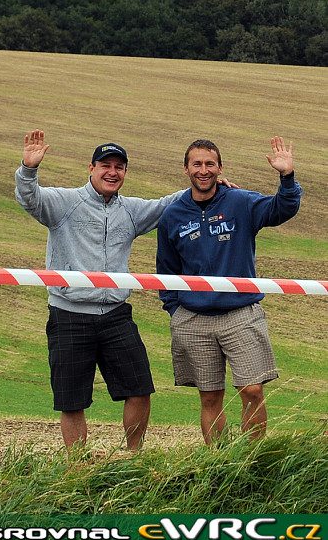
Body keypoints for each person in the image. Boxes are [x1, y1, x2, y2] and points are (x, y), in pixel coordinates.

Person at [15, 130, 235, 451]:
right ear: (91, 168)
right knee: (72, 401)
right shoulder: (64, 203)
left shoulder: (131, 211)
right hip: (69, 315)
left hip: (116, 315)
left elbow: (167, 206)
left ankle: (134, 458)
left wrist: (206, 186)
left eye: (119, 167)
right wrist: (29, 169)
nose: (112, 172)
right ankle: (78, 468)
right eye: (105, 165)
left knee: (140, 389)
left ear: (125, 173)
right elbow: (29, 198)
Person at [156, 136, 302, 444]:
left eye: (210, 163)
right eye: (197, 164)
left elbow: (282, 209)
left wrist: (286, 176)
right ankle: (218, 465)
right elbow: (166, 270)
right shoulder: (173, 215)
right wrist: (175, 309)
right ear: (186, 169)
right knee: (210, 398)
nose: (203, 170)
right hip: (193, 320)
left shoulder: (241, 202)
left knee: (252, 390)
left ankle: (251, 463)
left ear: (220, 168)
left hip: (240, 316)